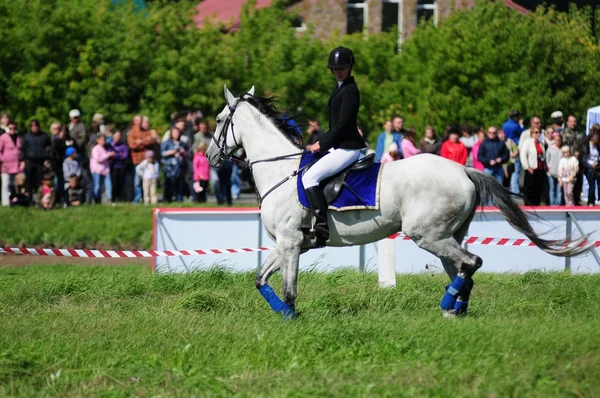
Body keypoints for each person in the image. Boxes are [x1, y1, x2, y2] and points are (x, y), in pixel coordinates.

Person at [301, 46, 366, 244]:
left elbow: (343, 124)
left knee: (310, 178)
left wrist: (321, 143)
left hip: (347, 147)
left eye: (343, 67)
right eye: (335, 68)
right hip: (338, 145)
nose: (338, 71)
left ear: (350, 67)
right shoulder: (340, 88)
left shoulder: (350, 91)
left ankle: (321, 226)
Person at [20, 119, 51, 198]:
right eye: (32, 126)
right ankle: (29, 199)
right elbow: (22, 149)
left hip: (41, 162)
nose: (34, 128)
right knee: (29, 181)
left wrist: (47, 158)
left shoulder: (44, 136)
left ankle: (39, 199)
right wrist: (22, 160)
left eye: (36, 126)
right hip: (29, 162)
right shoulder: (26, 137)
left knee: (40, 181)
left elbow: (49, 148)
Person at [127, 115, 154, 203]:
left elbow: (150, 140)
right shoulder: (131, 133)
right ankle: (137, 198)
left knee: (147, 180)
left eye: (140, 121)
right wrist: (142, 142)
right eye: (137, 121)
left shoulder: (146, 132)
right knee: (137, 180)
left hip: (146, 160)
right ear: (134, 122)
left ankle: (146, 198)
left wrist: (140, 141)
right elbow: (132, 145)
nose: (138, 122)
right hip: (136, 159)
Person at [161, 125, 187, 203]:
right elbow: (162, 153)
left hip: (180, 166)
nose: (176, 134)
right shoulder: (167, 142)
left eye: (178, 132)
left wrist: (183, 152)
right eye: (175, 132)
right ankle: (167, 199)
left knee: (179, 183)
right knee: (169, 183)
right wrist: (173, 151)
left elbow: (187, 154)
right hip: (170, 166)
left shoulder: (182, 143)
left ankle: (179, 199)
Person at [520, 127, 546, 205]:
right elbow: (523, 155)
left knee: (538, 189)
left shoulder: (541, 143)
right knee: (529, 189)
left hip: (540, 169)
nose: (538, 134)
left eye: (539, 132)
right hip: (532, 169)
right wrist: (527, 167)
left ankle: (536, 204)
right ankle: (528, 205)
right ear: (531, 134)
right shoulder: (527, 142)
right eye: (536, 132)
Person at [502, 110, 524, 194]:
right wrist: (521, 125)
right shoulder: (516, 125)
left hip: (507, 147)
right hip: (515, 147)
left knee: (508, 170)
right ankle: (515, 190)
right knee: (516, 171)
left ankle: (508, 187)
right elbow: (522, 133)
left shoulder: (504, 125)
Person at [0, 121, 22, 206]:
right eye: (10, 128)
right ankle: (5, 203)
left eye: (14, 128)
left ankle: (12, 200)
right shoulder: (3, 137)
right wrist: (3, 159)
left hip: (16, 165)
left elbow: (20, 150)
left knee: (13, 185)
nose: (12, 130)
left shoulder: (18, 138)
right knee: (5, 184)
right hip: (6, 165)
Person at [90, 135, 115, 204]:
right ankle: (96, 199)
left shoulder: (104, 148)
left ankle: (109, 198)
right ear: (97, 140)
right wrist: (108, 155)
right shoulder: (95, 149)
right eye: (101, 139)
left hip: (105, 170)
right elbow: (98, 159)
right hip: (97, 171)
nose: (103, 141)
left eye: (104, 139)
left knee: (108, 185)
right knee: (97, 186)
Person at [110, 131, 129, 203]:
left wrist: (115, 155)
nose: (117, 138)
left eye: (119, 136)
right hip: (114, 167)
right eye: (116, 136)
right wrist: (119, 154)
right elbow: (109, 155)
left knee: (121, 183)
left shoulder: (123, 145)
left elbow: (125, 156)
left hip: (122, 167)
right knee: (114, 183)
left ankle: (121, 198)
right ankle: (113, 199)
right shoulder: (110, 145)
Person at [581, 133, 600, 206]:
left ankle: (598, 199)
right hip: (588, 167)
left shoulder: (597, 147)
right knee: (592, 184)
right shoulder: (586, 146)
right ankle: (591, 201)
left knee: (598, 183)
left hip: (597, 166)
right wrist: (592, 163)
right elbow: (584, 159)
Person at [545, 133, 563, 206]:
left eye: (559, 140)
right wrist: (549, 167)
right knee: (552, 189)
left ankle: (558, 204)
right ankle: (552, 204)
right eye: (556, 140)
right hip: (551, 172)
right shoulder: (550, 149)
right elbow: (547, 159)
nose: (558, 142)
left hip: (560, 173)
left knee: (559, 190)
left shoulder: (562, 149)